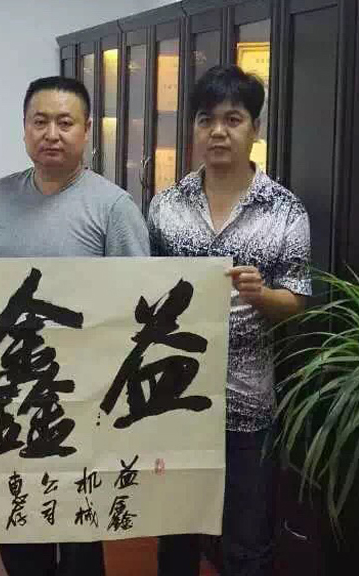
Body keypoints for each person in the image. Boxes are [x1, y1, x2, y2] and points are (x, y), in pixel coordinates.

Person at [0, 76, 150, 576]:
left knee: (77, 535)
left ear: (87, 130)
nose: (51, 133)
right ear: (24, 129)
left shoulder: (114, 208)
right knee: (17, 523)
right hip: (5, 397)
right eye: (40, 121)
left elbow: (138, 308)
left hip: (80, 400)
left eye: (65, 122)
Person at [152, 65, 311, 576]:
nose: (217, 131)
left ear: (254, 128)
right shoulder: (164, 207)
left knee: (247, 542)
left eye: (232, 119)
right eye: (206, 120)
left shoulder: (284, 210)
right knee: (175, 538)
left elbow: (297, 300)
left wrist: (262, 295)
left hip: (247, 405)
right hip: (172, 400)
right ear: (193, 129)